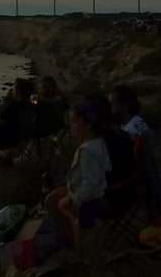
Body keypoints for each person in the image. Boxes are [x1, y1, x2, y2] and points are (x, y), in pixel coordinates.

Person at [45, 97, 111, 245]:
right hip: (89, 192)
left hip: (91, 201)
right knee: (52, 197)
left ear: (87, 125)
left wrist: (71, 199)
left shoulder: (87, 151)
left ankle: (73, 242)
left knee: (57, 202)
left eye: (74, 122)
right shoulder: (98, 142)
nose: (70, 127)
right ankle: (66, 236)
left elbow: (92, 185)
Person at [111, 85, 161, 216]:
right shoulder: (138, 123)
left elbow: (133, 164)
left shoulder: (131, 133)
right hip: (154, 185)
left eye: (113, 105)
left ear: (124, 106)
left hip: (140, 187)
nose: (110, 110)